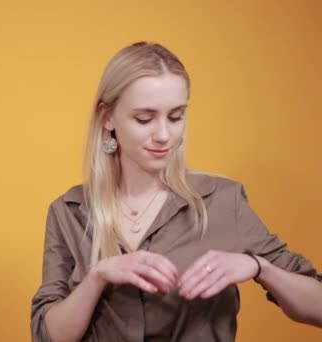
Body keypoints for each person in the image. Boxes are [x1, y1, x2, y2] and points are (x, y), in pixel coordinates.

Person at [30, 42, 322, 342]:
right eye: (144, 119)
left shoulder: (223, 201)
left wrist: (260, 267)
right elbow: (49, 336)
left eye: (175, 116)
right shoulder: (68, 212)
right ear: (107, 118)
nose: (164, 135)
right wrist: (98, 276)